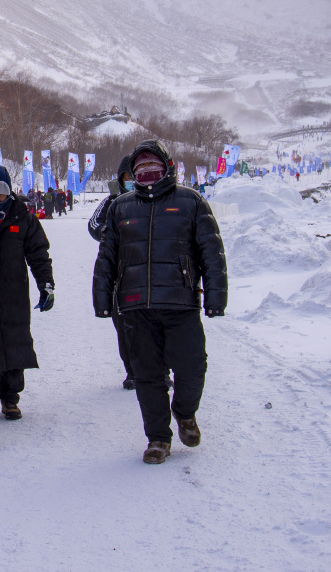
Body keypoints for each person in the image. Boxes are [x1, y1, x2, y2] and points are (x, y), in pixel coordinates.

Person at [93, 140, 228, 465]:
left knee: (193, 367)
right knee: (147, 375)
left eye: (154, 170)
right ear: (133, 175)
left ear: (167, 168)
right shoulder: (121, 207)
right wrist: (101, 297)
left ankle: (184, 413)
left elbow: (212, 251)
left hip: (180, 302)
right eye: (142, 171)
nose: (148, 176)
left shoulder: (191, 201)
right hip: (136, 305)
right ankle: (157, 438)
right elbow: (107, 255)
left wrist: (215, 295)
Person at [0, 164, 54, 420]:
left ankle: (10, 398)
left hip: (13, 295)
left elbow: (39, 255)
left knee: (14, 347)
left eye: (0, 192)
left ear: (9, 191)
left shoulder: (23, 217)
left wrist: (46, 284)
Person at [88, 156, 137, 389]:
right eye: (129, 176)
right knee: (125, 325)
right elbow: (93, 224)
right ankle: (132, 370)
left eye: (137, 175)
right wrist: (112, 232)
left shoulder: (158, 199)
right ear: (121, 178)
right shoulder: (112, 200)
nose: (134, 181)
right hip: (121, 274)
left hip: (152, 272)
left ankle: (160, 368)